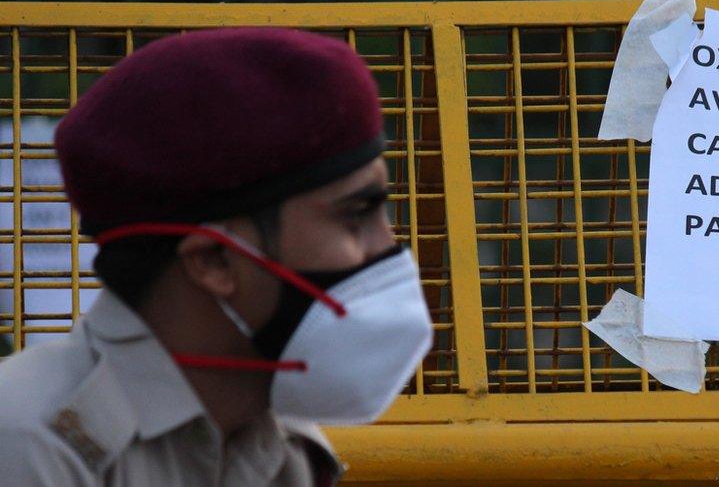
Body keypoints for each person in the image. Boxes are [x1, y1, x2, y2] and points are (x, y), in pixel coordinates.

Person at [0, 28, 434, 486]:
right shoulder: (33, 448)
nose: (388, 248)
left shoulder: (279, 443)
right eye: (355, 217)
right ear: (213, 261)